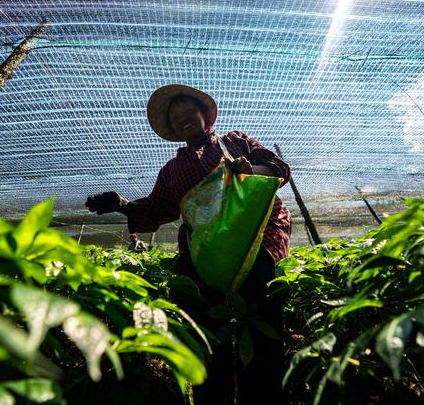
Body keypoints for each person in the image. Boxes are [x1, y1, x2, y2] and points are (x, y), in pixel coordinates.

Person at [85, 84, 291, 404]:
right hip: (205, 257)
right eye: (175, 115)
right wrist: (122, 203)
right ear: (171, 128)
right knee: (207, 337)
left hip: (256, 241)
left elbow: (277, 168)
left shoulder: (234, 141)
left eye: (187, 110)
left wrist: (251, 170)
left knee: (263, 330)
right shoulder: (171, 172)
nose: (183, 117)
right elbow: (155, 211)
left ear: (203, 114)